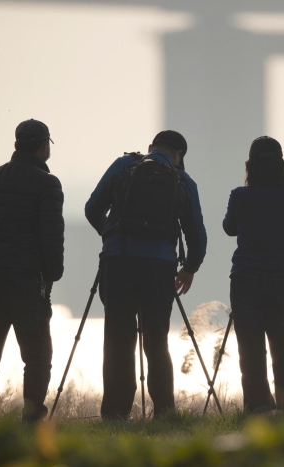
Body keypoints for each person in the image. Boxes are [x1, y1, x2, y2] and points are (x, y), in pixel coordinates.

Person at [85, 130, 207, 419]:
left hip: (119, 262)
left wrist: (112, 235)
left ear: (151, 147)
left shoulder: (124, 166)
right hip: (159, 268)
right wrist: (189, 268)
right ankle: (164, 413)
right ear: (179, 156)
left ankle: (115, 415)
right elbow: (198, 236)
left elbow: (92, 209)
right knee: (156, 339)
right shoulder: (183, 180)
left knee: (118, 340)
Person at [0, 119, 64, 423]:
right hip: (28, 280)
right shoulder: (48, 184)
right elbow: (51, 236)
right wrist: (53, 274)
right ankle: (32, 417)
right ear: (43, 145)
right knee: (37, 355)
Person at [223, 136, 284, 413]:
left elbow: (229, 227)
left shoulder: (240, 195)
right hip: (282, 276)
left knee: (250, 346)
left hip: (246, 276)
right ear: (281, 165)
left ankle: (258, 406)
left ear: (251, 165)